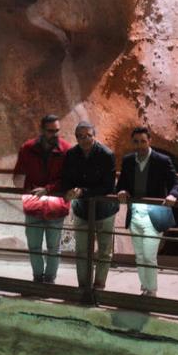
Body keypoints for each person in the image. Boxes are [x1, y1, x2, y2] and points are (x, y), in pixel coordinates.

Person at [116, 127, 178, 296]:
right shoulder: (128, 160)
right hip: (135, 213)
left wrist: (173, 195)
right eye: (136, 142)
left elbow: (177, 184)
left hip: (154, 213)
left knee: (149, 256)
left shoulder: (162, 160)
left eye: (143, 141)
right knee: (139, 255)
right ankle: (145, 287)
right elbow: (121, 184)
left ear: (150, 141)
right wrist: (122, 191)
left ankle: (151, 291)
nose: (139, 145)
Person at [12, 114, 72, 284]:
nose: (55, 134)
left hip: (55, 206)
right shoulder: (27, 148)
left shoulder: (66, 150)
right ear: (42, 130)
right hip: (34, 205)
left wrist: (48, 189)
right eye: (50, 131)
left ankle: (50, 279)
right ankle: (38, 278)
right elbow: (18, 174)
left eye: (57, 131)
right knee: (34, 246)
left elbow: (68, 179)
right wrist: (22, 185)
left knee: (53, 247)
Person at [62, 121, 118, 290]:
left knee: (104, 250)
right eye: (80, 136)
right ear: (76, 138)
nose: (84, 139)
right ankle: (84, 286)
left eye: (88, 136)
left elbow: (108, 186)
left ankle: (99, 286)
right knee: (82, 251)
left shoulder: (106, 154)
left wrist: (82, 192)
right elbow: (66, 178)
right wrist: (69, 190)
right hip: (82, 210)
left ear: (94, 136)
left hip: (105, 210)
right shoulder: (71, 154)